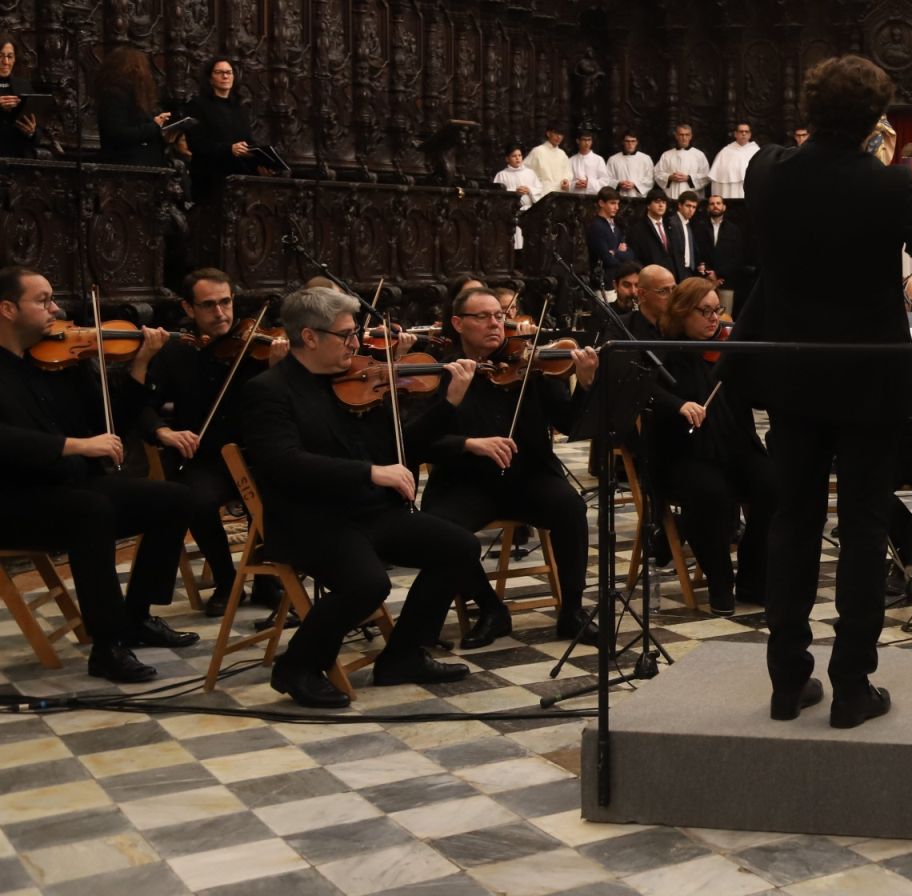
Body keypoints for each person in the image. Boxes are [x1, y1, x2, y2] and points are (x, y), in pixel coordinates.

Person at [737, 56, 912, 729]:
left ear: (808, 108)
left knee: (793, 521)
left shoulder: (767, 169)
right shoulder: (889, 186)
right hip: (868, 373)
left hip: (792, 368)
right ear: (875, 119)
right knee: (863, 527)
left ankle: (787, 682)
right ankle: (853, 685)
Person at [238, 287, 491, 708]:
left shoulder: (355, 380)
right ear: (310, 336)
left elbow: (402, 447)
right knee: (369, 582)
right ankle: (297, 666)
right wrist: (369, 472)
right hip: (310, 520)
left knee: (458, 547)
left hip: (368, 510)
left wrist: (448, 405)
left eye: (355, 334)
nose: (357, 344)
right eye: (346, 335)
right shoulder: (269, 390)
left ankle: (403, 656)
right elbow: (282, 462)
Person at [0, 265, 199, 682]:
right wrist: (74, 446)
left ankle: (137, 615)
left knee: (176, 499)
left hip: (72, 485)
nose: (56, 309)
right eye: (43, 301)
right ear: (7, 309)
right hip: (15, 500)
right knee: (90, 510)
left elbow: (109, 422)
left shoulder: (60, 362)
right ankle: (108, 646)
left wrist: (141, 365)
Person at [422, 287, 595, 639]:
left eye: (500, 316)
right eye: (483, 317)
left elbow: (571, 424)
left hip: (527, 476)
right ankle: (490, 608)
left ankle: (572, 611)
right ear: (458, 323)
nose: (495, 324)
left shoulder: (529, 364)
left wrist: (587, 385)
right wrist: (469, 444)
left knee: (571, 509)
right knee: (441, 530)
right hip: (465, 481)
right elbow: (422, 440)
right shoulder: (443, 371)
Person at [136, 267, 292, 618]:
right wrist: (164, 432)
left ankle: (266, 577)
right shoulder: (175, 351)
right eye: (208, 305)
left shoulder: (260, 348)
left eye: (225, 303)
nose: (220, 313)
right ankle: (226, 579)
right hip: (208, 458)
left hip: (259, 453)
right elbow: (143, 405)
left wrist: (279, 372)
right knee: (194, 500)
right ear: (189, 309)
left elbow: (284, 407)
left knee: (284, 487)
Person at [642, 278, 774, 614]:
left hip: (735, 448)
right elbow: (646, 391)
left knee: (773, 485)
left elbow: (755, 398)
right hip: (685, 455)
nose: (714, 318)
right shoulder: (664, 351)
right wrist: (679, 405)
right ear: (682, 312)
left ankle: (753, 577)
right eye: (704, 311)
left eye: (717, 310)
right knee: (712, 494)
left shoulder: (731, 350)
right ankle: (720, 579)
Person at [183, 56, 261, 204]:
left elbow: (248, 141)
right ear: (210, 79)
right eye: (219, 72)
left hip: (239, 177)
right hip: (210, 179)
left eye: (229, 72)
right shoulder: (198, 105)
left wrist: (259, 159)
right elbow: (196, 143)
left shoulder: (240, 108)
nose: (225, 76)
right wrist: (228, 149)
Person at [95, 44, 173, 167]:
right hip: (127, 164)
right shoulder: (114, 95)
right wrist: (154, 126)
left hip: (143, 163)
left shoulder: (134, 96)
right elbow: (117, 133)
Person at [695, 195, 750, 307]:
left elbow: (739, 258)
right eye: (712, 204)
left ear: (724, 207)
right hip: (705, 282)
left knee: (725, 318)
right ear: (708, 208)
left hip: (726, 282)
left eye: (718, 203)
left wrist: (718, 274)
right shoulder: (699, 228)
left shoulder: (734, 230)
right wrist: (708, 274)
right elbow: (696, 253)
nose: (715, 206)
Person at [493, 147, 543, 251]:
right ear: (507, 159)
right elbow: (497, 195)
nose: (517, 158)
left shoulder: (530, 173)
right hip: (511, 214)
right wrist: (515, 192)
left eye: (519, 155)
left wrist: (529, 190)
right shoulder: (501, 175)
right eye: (514, 156)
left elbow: (539, 189)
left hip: (528, 212)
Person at [0, 39, 39, 157]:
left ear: (15, 59)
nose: (5, 62)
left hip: (18, 158)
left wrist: (32, 132)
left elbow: (39, 129)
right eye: (0, 56)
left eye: (10, 56)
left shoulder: (24, 86)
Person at [710, 121, 759, 215]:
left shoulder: (756, 151)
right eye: (741, 131)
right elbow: (716, 179)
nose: (743, 134)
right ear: (735, 134)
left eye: (746, 131)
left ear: (750, 134)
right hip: (729, 194)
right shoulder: (725, 152)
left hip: (750, 197)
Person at [629, 188, 679, 274]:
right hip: (650, 276)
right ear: (648, 205)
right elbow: (635, 257)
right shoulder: (638, 228)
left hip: (670, 275)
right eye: (657, 202)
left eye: (664, 202)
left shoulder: (670, 226)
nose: (661, 205)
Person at [586, 187, 630, 280]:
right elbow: (607, 259)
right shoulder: (596, 226)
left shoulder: (617, 224)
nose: (617, 207)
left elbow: (630, 254)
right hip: (604, 281)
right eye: (612, 203)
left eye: (618, 203)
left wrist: (614, 253)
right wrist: (620, 253)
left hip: (616, 279)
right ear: (601, 203)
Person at [659, 123, 711, 194]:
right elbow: (658, 173)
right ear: (676, 136)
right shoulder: (667, 155)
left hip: (692, 194)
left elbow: (706, 175)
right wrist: (669, 177)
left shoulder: (699, 155)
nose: (684, 138)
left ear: (691, 136)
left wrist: (689, 178)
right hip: (672, 193)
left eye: (687, 135)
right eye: (681, 135)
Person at [525, 124, 571, 194]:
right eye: (556, 133)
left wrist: (566, 181)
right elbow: (525, 171)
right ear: (548, 133)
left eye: (561, 134)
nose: (559, 137)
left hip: (560, 193)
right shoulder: (538, 151)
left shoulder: (562, 154)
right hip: (542, 193)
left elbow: (568, 173)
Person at [607, 132, 656, 198]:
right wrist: (619, 183)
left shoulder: (646, 159)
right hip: (619, 198)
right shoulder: (613, 159)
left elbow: (650, 179)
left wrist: (635, 185)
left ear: (637, 142)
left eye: (633, 141)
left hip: (640, 198)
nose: (630, 144)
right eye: (627, 141)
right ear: (623, 142)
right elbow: (607, 178)